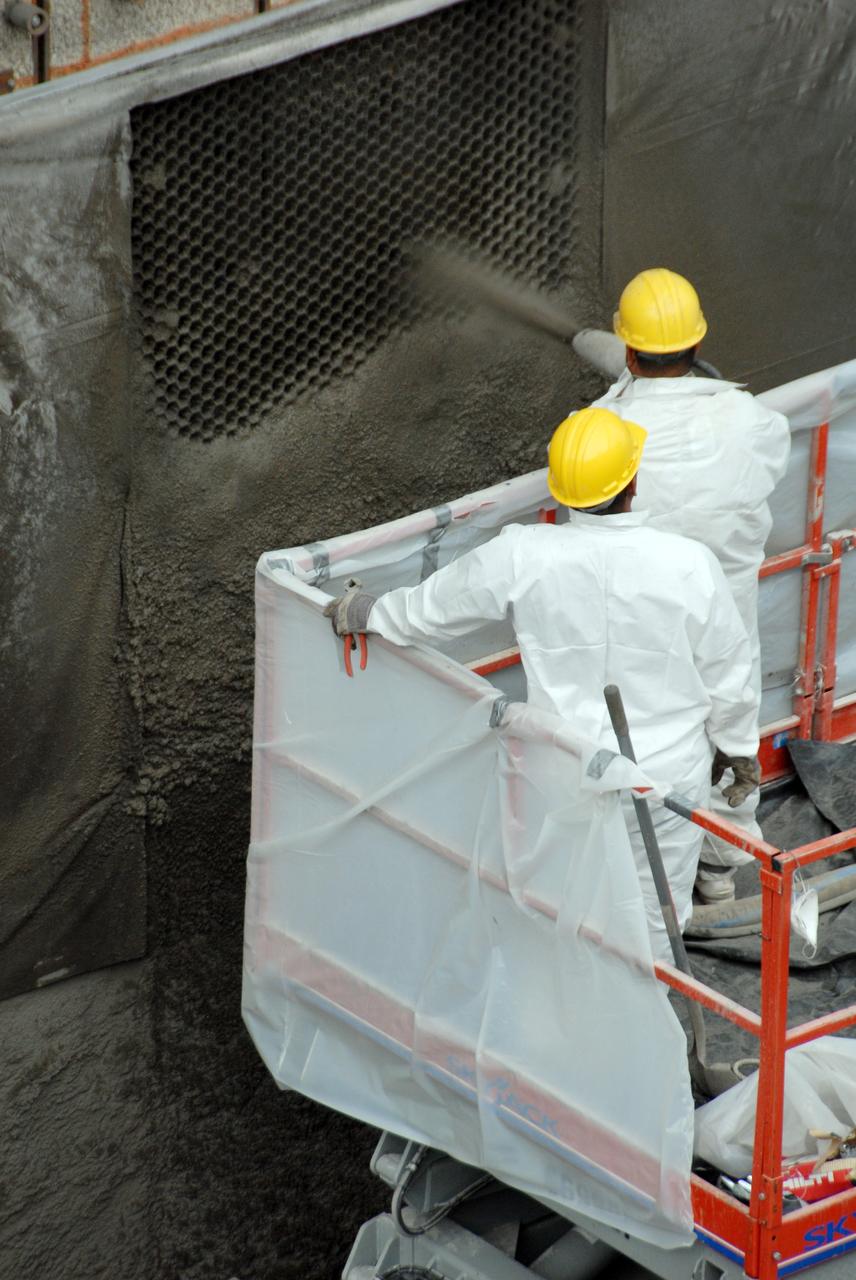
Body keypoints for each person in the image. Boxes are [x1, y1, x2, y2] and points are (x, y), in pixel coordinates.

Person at [325, 407, 760, 962]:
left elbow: (428, 611)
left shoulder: (523, 554)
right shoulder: (688, 564)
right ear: (631, 480)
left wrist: (365, 611)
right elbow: (729, 671)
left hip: (564, 771)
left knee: (557, 907)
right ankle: (647, 1021)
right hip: (666, 780)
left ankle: (559, 1020)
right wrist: (739, 749)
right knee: (656, 916)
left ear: (560, 492)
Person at [591, 268, 791, 903]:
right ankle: (720, 873)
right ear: (697, 346)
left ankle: (646, 880)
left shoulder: (605, 424)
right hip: (728, 612)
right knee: (732, 730)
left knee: (655, 736)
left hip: (643, 615)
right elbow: (766, 461)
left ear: (626, 349)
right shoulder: (750, 418)